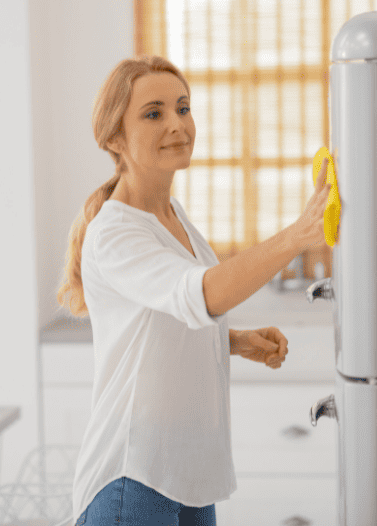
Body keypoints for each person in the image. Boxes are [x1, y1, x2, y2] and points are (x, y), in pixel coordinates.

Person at [56, 54, 334, 526]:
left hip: (187, 473)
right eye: (154, 113)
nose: (177, 124)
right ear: (114, 138)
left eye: (183, 108)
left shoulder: (174, 216)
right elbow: (200, 294)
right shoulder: (115, 231)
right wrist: (296, 235)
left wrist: (234, 341)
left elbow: (161, 321)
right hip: (134, 477)